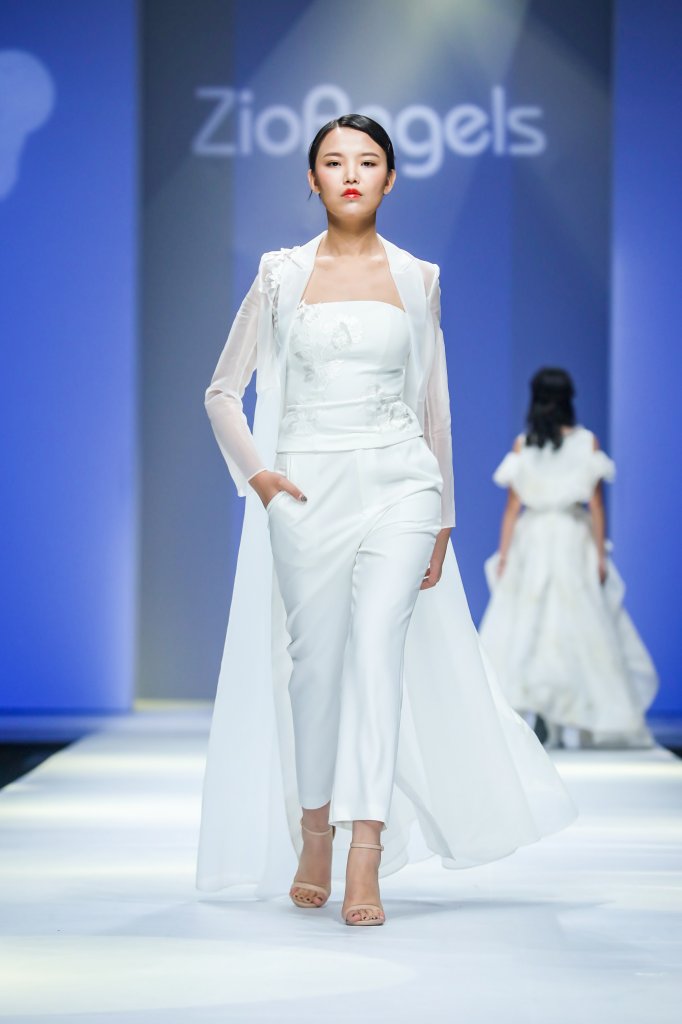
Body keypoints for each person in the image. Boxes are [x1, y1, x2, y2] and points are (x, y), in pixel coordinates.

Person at [196, 115, 577, 927]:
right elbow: (222, 391)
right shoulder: (280, 275)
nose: (351, 174)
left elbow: (434, 407)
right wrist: (262, 480)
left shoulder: (417, 277)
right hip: (306, 490)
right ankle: (313, 832)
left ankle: (363, 851)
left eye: (367, 161)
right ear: (312, 179)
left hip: (402, 485)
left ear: (390, 178)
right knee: (314, 669)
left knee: (376, 655)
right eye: (333, 162)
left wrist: (443, 518)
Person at [479, 367, 658, 750]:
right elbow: (595, 504)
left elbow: (512, 508)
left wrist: (506, 555)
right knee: (578, 622)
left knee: (529, 622)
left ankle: (532, 713)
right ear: (568, 399)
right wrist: (600, 551)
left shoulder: (523, 445)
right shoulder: (585, 442)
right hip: (571, 536)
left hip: (533, 537)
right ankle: (576, 719)